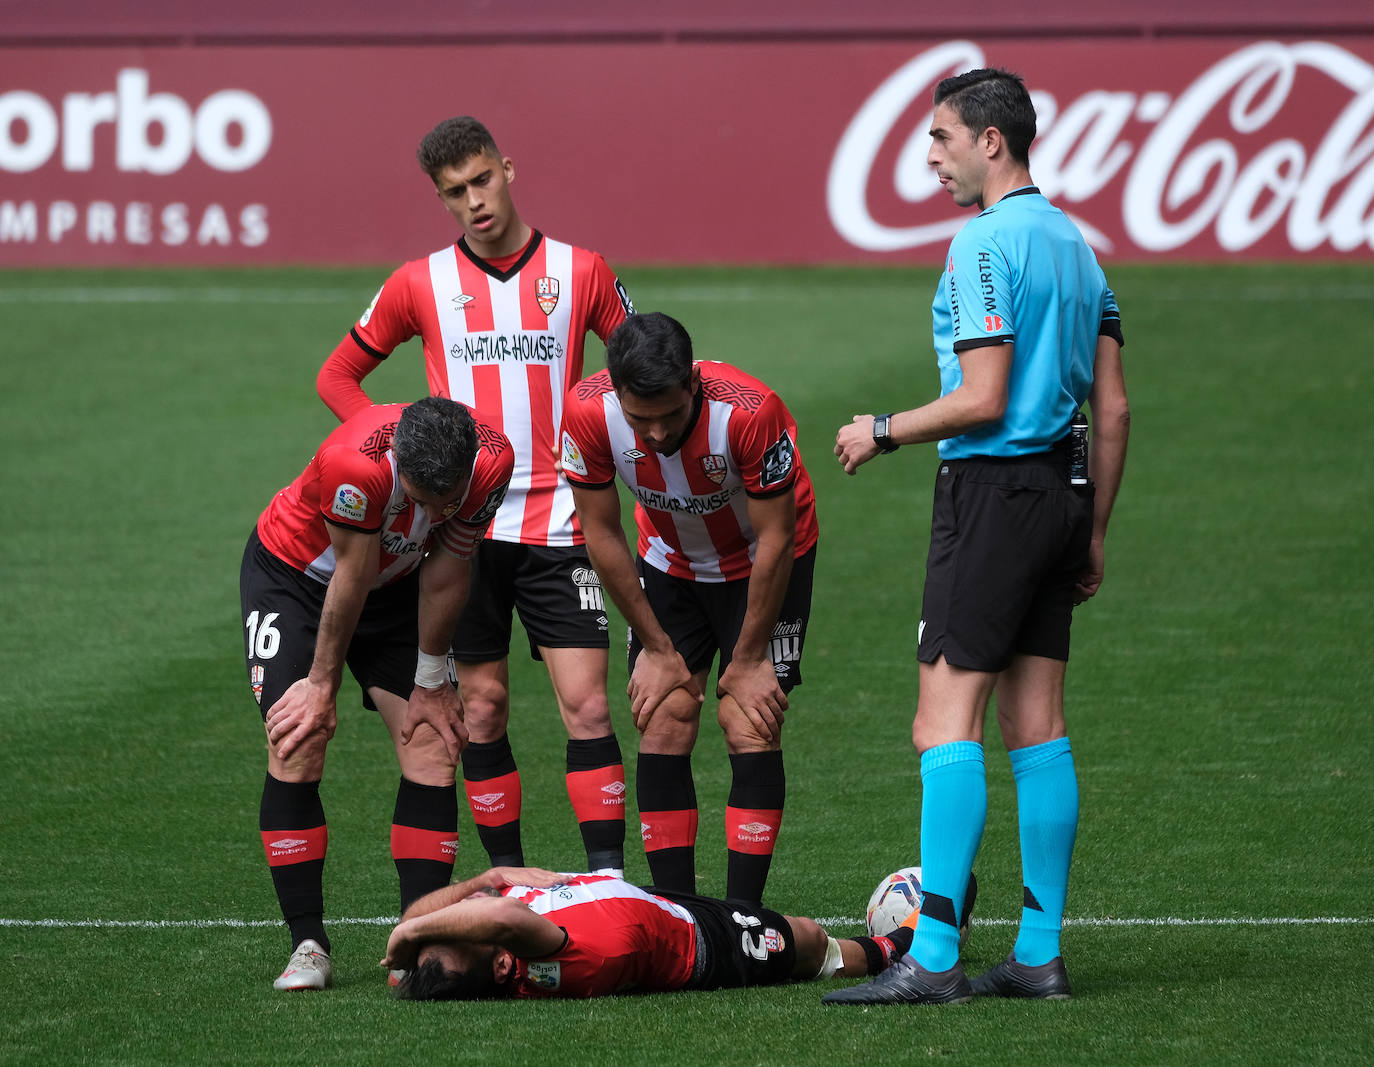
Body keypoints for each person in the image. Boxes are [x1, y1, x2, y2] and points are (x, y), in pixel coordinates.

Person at [825, 67, 1130, 1006]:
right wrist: (1094, 532)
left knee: (941, 725)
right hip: (1064, 494)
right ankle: (1038, 953)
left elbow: (984, 396)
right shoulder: (1082, 250)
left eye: (942, 139)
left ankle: (936, 954)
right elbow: (1112, 409)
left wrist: (880, 429)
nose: (930, 158)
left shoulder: (981, 246)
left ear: (991, 141)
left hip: (992, 496)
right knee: (1037, 728)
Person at [316, 116, 636, 877]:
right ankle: (510, 883)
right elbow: (336, 378)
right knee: (483, 708)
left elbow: (639, 373)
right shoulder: (417, 283)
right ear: (440, 197)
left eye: (482, 180)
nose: (474, 201)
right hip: (462, 537)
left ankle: (609, 882)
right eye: (455, 192)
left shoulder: (581, 269)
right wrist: (395, 446)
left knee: (588, 705)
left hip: (561, 523)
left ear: (508, 169)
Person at [240, 396, 514, 990]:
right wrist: (320, 685)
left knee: (432, 742)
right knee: (299, 737)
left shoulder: (493, 462)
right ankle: (308, 944)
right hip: (299, 581)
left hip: (396, 584)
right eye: (421, 501)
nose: (438, 510)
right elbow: (351, 576)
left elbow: (447, 570)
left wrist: (431, 680)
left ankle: (414, 937)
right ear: (397, 464)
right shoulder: (353, 466)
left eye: (449, 499)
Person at [559, 312, 819, 905]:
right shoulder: (586, 413)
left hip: (764, 564)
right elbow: (601, 533)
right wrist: (655, 646)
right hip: (669, 561)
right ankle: (675, 913)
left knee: (747, 721)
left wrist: (750, 658)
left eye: (669, 416)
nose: (652, 434)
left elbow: (777, 536)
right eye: (638, 419)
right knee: (665, 715)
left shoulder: (752, 413)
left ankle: (743, 918)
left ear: (693, 386)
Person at [382, 867, 912, 1000]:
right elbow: (500, 918)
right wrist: (404, 936)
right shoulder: (533, 956)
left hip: (659, 904)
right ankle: (898, 947)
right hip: (703, 946)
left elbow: (448, 917)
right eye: (463, 924)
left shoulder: (480, 955)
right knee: (808, 939)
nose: (469, 906)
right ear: (502, 963)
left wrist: (484, 881)